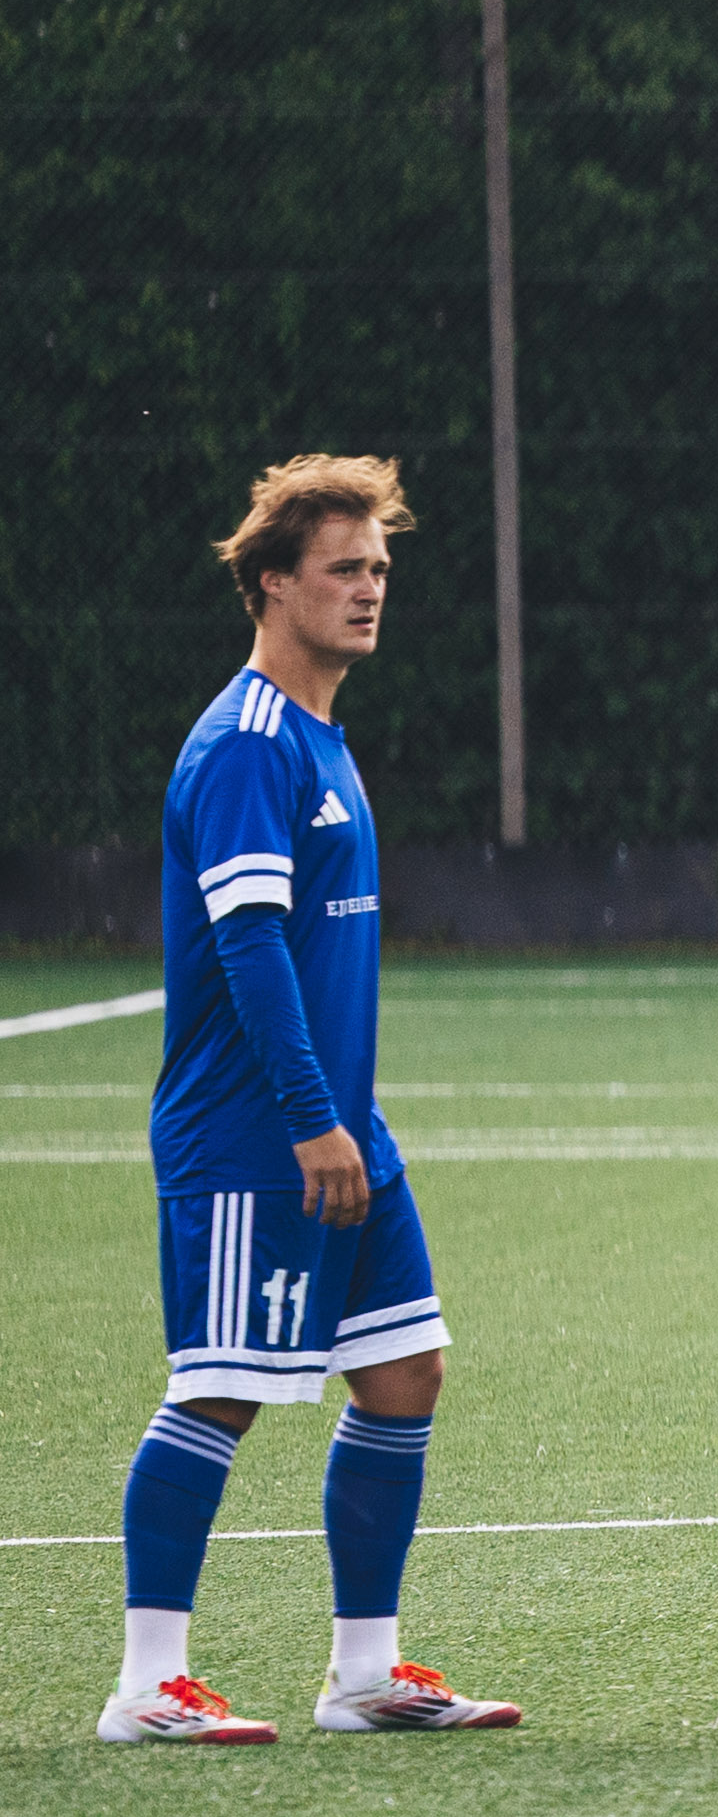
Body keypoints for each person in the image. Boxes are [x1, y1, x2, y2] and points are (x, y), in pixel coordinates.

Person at [108, 455, 519, 1745]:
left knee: (404, 1372)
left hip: (343, 1132)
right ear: (273, 583)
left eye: (380, 568)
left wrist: (343, 1122)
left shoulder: (321, 737)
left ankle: (362, 1673)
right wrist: (307, 1117)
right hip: (257, 1137)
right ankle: (146, 1685)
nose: (370, 588)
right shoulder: (247, 745)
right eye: (344, 568)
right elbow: (248, 947)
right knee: (219, 1388)